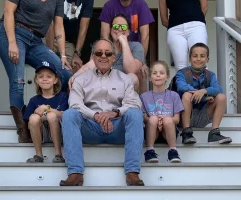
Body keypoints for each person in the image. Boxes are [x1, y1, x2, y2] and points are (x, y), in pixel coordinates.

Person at [0, 0, 72, 143]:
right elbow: (8, 12)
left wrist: (63, 55)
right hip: (12, 32)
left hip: (35, 40)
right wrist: (12, 41)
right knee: (18, 80)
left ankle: (55, 115)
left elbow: (58, 27)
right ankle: (24, 129)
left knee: (64, 73)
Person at [60, 39, 144, 187]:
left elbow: (134, 103)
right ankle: (75, 173)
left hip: (117, 127)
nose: (103, 56)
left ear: (113, 57)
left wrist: (115, 113)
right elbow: (75, 104)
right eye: (99, 53)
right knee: (69, 114)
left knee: (135, 114)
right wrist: (96, 115)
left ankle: (132, 172)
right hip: (91, 127)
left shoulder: (125, 79)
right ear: (93, 56)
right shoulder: (81, 79)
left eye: (108, 53)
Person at [99, 0, 154, 93]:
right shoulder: (109, 6)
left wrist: (141, 61)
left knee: (141, 72)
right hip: (114, 52)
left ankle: (142, 110)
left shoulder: (141, 5)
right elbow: (104, 35)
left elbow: (145, 35)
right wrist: (108, 58)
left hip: (135, 52)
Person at [69, 14, 144, 91]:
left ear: (128, 31)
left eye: (124, 27)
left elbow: (131, 70)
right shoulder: (102, 45)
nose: (120, 29)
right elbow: (90, 65)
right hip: (102, 84)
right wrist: (75, 76)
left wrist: (124, 43)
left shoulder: (136, 46)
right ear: (111, 30)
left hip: (123, 91)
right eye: (116, 26)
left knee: (133, 77)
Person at [176, 43, 232, 144]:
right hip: (184, 115)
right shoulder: (182, 73)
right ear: (189, 59)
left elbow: (218, 88)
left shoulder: (210, 75)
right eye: (195, 56)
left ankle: (214, 133)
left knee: (221, 97)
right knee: (186, 95)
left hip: (202, 115)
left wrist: (204, 91)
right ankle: (186, 133)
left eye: (202, 56)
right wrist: (203, 97)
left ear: (207, 59)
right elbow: (181, 86)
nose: (198, 59)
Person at [46, 0, 94, 72]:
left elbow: (84, 27)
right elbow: (50, 21)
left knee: (72, 69)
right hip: (50, 37)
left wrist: (77, 53)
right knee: (48, 69)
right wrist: (50, 51)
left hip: (69, 42)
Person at [24, 61, 68, 163]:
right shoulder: (34, 100)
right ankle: (39, 155)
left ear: (55, 80)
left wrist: (46, 108)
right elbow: (28, 122)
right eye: (41, 76)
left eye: (49, 76)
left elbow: (64, 115)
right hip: (41, 134)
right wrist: (39, 116)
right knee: (34, 117)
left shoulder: (63, 96)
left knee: (52, 115)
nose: (44, 79)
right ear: (36, 80)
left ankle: (58, 154)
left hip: (59, 132)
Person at [141, 61, 183, 163]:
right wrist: (155, 119)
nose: (158, 75)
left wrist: (163, 120)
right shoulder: (144, 96)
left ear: (167, 76)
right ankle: (149, 151)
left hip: (169, 131)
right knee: (153, 118)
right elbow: (144, 118)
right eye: (154, 73)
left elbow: (176, 119)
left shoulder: (174, 95)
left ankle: (173, 151)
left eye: (161, 73)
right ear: (150, 78)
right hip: (151, 130)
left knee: (168, 120)